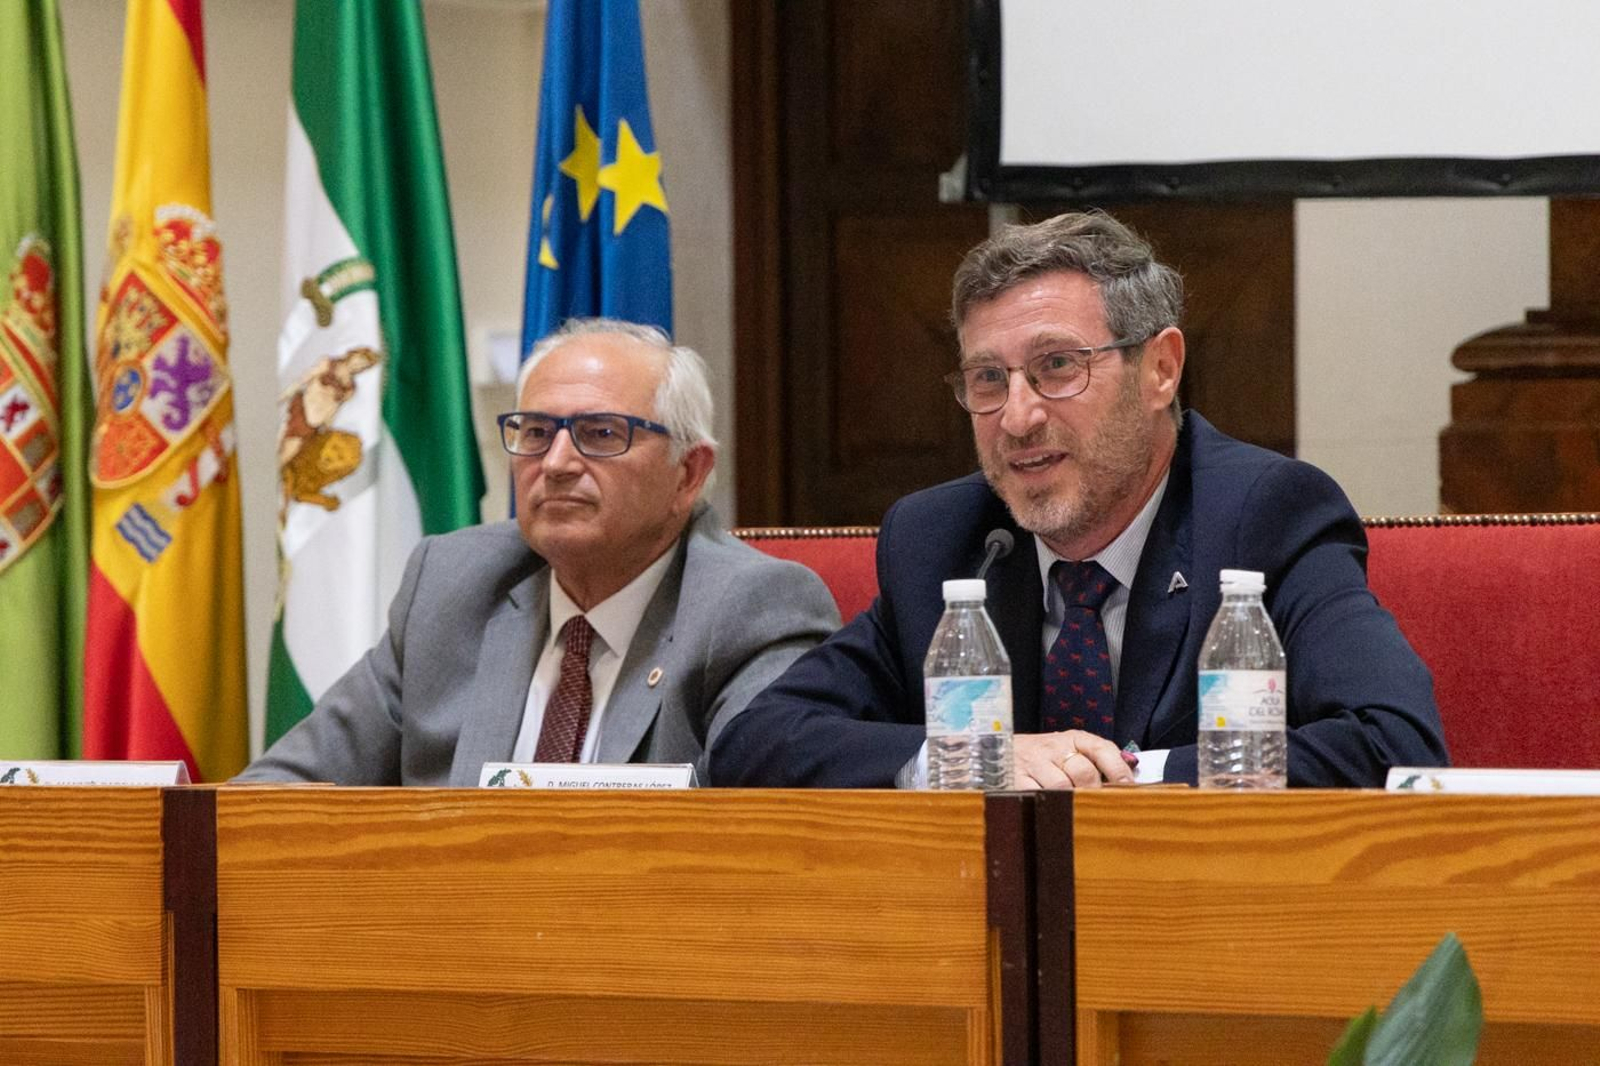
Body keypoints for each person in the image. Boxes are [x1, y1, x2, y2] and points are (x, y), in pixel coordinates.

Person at [709, 211, 1448, 789]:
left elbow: (1396, 742)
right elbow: (757, 737)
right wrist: (958, 760)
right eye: (988, 380)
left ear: (1160, 369)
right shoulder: (944, 539)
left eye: (1057, 366)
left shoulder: (1265, 515)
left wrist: (1122, 775)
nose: (1018, 416)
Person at [238, 318, 840, 786]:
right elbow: (284, 785)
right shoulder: (452, 584)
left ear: (687, 474)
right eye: (534, 433)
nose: (555, 464)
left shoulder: (750, 609)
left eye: (601, 434)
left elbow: (765, 836)